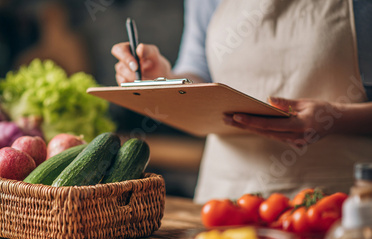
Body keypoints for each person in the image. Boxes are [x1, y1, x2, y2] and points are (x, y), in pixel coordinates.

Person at [112, 0, 372, 203]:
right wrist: (163, 78)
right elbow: (198, 72)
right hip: (226, 195)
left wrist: (337, 118)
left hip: (337, 198)